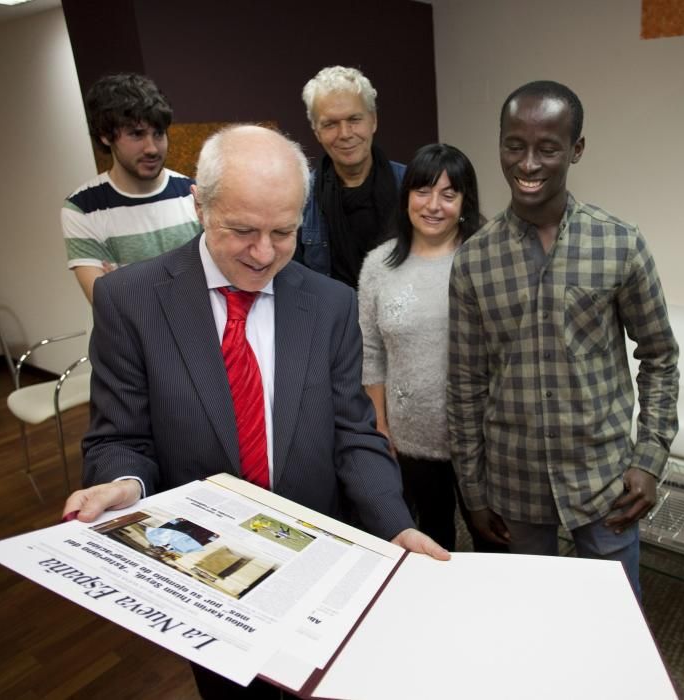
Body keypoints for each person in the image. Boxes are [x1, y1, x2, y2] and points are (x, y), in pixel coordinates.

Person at [62, 124, 448, 699]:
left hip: (317, 558)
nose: (264, 253)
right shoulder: (131, 301)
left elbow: (354, 436)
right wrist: (123, 484)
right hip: (203, 570)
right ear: (199, 205)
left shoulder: (330, 304)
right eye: (241, 230)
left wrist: (395, 524)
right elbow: (120, 436)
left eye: (283, 232)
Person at [447, 80, 679, 598]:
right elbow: (464, 384)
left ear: (575, 149)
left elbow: (660, 356)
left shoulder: (619, 242)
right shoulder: (474, 259)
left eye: (547, 148)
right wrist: (473, 489)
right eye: (515, 145)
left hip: (604, 481)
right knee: (536, 626)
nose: (528, 164)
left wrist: (649, 458)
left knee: (618, 628)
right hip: (516, 485)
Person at [358, 143, 504, 553]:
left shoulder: (487, 260)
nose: (433, 205)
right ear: (407, 196)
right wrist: (380, 424)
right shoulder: (378, 265)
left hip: (483, 437)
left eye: (449, 194)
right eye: (423, 191)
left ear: (464, 201)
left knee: (493, 538)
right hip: (411, 438)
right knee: (432, 537)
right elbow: (371, 353)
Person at [61, 72, 202, 303]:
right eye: (137, 134)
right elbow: (109, 308)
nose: (152, 148)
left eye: (158, 134)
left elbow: (216, 288)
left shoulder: (194, 193)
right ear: (106, 136)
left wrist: (125, 285)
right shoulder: (82, 208)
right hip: (139, 341)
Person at [295, 65, 404, 288]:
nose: (345, 134)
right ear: (317, 132)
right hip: (331, 321)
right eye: (330, 124)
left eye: (354, 119)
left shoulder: (412, 186)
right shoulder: (300, 198)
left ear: (373, 121)